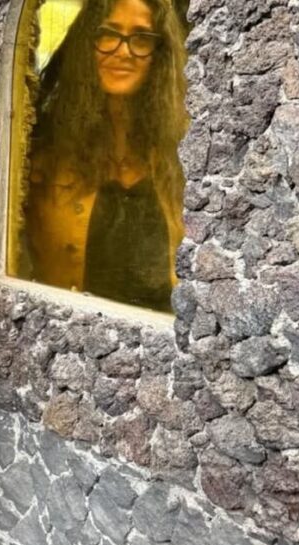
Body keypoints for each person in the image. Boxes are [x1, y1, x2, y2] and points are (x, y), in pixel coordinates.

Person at [25, 0, 187, 312]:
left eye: (141, 38)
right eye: (109, 34)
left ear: (159, 55)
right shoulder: (44, 155)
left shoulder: (179, 156)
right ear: (87, 43)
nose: (123, 51)